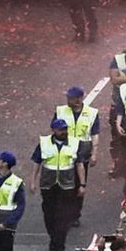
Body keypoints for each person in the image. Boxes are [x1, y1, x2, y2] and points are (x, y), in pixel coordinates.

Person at [30, 117, 85, 251]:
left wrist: (82, 185)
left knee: (63, 216)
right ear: (53, 130)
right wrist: (33, 181)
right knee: (49, 214)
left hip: (67, 185)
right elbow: (37, 162)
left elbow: (79, 164)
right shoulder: (44, 143)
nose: (64, 131)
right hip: (48, 185)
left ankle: (60, 245)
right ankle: (54, 238)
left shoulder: (74, 143)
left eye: (65, 129)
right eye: (61, 129)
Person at [54, 85, 99, 223]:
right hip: (64, 152)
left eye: (71, 98)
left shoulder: (91, 113)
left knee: (79, 183)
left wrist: (94, 153)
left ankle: (75, 214)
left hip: (82, 152)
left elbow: (94, 133)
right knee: (63, 183)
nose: (68, 100)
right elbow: (54, 129)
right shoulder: (61, 111)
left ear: (79, 99)